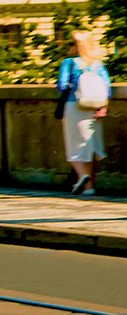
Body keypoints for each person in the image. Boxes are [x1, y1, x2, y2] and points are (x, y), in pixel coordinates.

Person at [58, 31, 112, 197]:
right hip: (95, 107)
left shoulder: (69, 63)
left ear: (80, 45)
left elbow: (61, 85)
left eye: (72, 43)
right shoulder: (98, 65)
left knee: (73, 148)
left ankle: (83, 175)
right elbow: (107, 89)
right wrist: (102, 106)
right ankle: (90, 188)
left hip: (75, 106)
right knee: (91, 147)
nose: (69, 46)